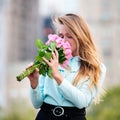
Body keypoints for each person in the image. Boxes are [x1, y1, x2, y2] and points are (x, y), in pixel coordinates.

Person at [27, 13, 106, 120]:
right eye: (61, 36)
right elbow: (37, 104)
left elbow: (82, 102)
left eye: (69, 36)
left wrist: (58, 77)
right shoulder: (50, 60)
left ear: (81, 38)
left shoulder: (96, 67)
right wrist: (34, 83)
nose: (63, 41)